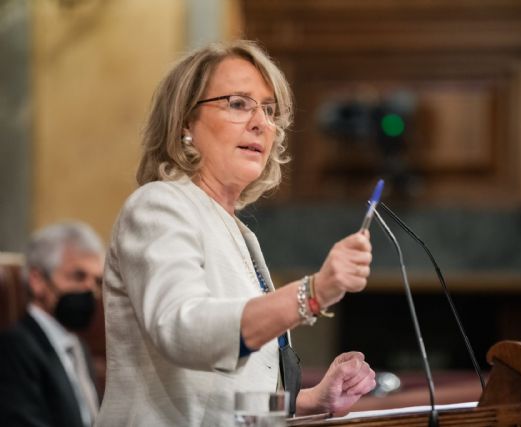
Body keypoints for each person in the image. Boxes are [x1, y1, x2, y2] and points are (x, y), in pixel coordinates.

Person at [96, 40, 376, 426]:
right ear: (185, 123)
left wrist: (309, 400)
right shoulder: (158, 206)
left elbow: (225, 395)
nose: (261, 123)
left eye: (269, 109)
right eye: (238, 104)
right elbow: (184, 331)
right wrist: (312, 293)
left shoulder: (239, 233)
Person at [0, 221, 104, 427]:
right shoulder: (13, 347)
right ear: (37, 281)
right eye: (78, 276)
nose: (91, 290)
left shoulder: (78, 346)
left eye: (97, 281)